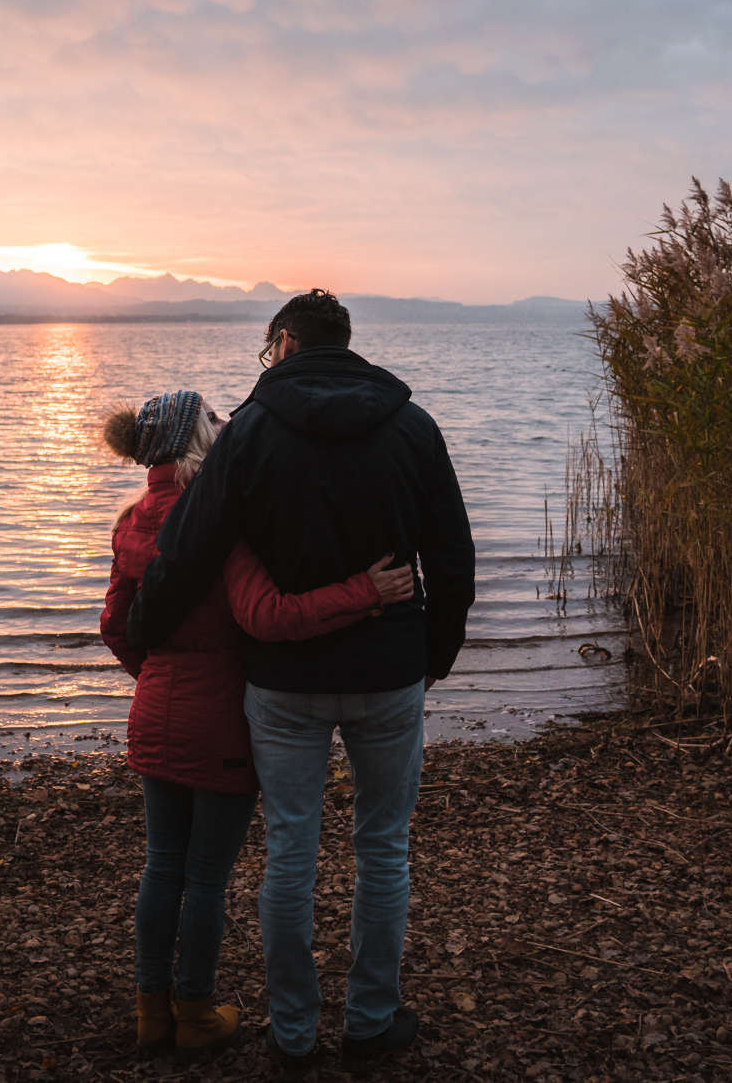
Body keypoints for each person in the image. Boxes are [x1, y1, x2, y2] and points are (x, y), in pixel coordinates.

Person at [126, 290, 474, 1078]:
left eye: (266, 349)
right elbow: (453, 558)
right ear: (343, 343)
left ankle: (292, 1033)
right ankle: (371, 1020)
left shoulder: (249, 433)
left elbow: (189, 550)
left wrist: (143, 634)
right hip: (387, 675)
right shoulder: (412, 427)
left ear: (283, 342)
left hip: (283, 685)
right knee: (383, 848)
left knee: (290, 851)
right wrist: (435, 654)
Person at [97, 388, 415, 1060]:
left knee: (162, 866)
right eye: (213, 418)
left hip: (154, 713)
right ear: (196, 443)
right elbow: (267, 614)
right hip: (219, 724)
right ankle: (196, 1009)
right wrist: (365, 592)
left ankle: (150, 1010)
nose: (226, 424)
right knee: (206, 877)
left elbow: (114, 626)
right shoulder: (219, 524)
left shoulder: (129, 521)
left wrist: (155, 679)